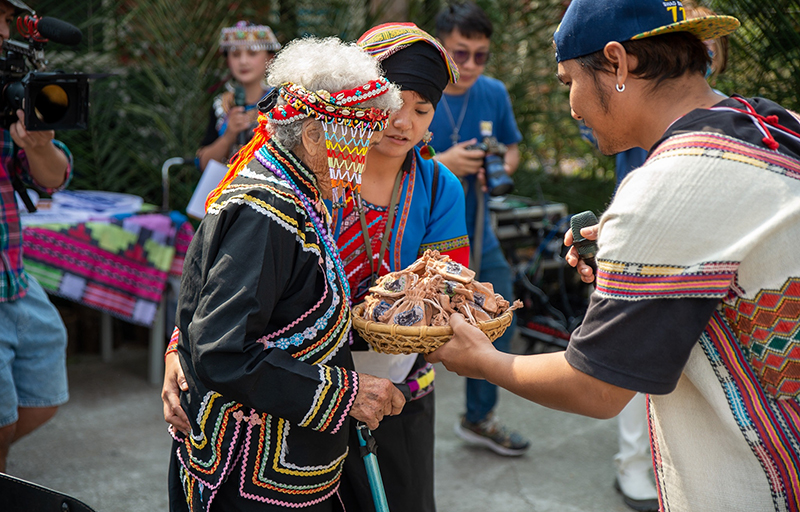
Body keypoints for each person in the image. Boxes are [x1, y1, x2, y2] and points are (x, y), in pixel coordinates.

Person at [428, 0, 800, 510]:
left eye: (568, 82)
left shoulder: (664, 188)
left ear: (617, 63)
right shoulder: (773, 122)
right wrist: (635, 253)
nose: (572, 107)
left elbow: (596, 388)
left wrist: (484, 360)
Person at [163, 23, 468, 512]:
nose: (376, 137)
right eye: (362, 129)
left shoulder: (300, 192)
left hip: (304, 433)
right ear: (311, 133)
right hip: (258, 461)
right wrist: (344, 395)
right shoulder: (268, 209)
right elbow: (221, 345)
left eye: (421, 108)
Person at [338, 23, 467, 512]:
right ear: (359, 96)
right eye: (391, 100)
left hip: (401, 391)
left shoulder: (438, 186)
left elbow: (448, 289)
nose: (403, 121)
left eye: (421, 109)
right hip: (310, 389)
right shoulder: (318, 172)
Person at [426, 0, 530, 457]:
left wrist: (500, 169)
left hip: (477, 229)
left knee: (497, 310)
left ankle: (479, 416)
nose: (469, 65)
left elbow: (511, 149)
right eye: (460, 53)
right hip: (421, 235)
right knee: (412, 321)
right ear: (440, 48)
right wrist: (442, 163)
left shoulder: (493, 93)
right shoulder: (419, 88)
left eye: (480, 55)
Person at [0, 0, 72, 474]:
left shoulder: (10, 93)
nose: (4, 31)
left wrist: (39, 145)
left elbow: (54, 176)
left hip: (13, 277)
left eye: (7, 20)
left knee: (42, 400)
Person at [195, 21, 280, 171]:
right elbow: (203, 164)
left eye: (252, 53)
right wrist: (228, 136)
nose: (243, 61)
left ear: (269, 58)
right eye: (235, 54)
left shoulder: (281, 102)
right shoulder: (221, 104)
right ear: (228, 60)